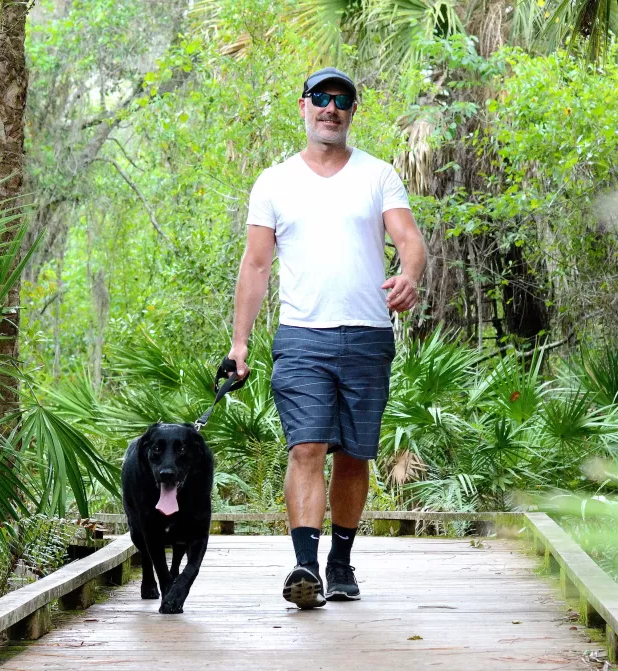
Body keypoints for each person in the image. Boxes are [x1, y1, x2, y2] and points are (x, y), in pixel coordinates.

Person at [225, 67, 427, 609]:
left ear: (351, 111)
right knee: (307, 446)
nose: (330, 108)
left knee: (355, 456)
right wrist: (239, 345)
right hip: (301, 339)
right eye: (321, 98)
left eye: (341, 100)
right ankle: (305, 566)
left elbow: (409, 239)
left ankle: (341, 561)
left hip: (367, 336)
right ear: (304, 106)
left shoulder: (378, 175)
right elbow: (256, 265)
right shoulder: (274, 182)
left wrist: (408, 274)